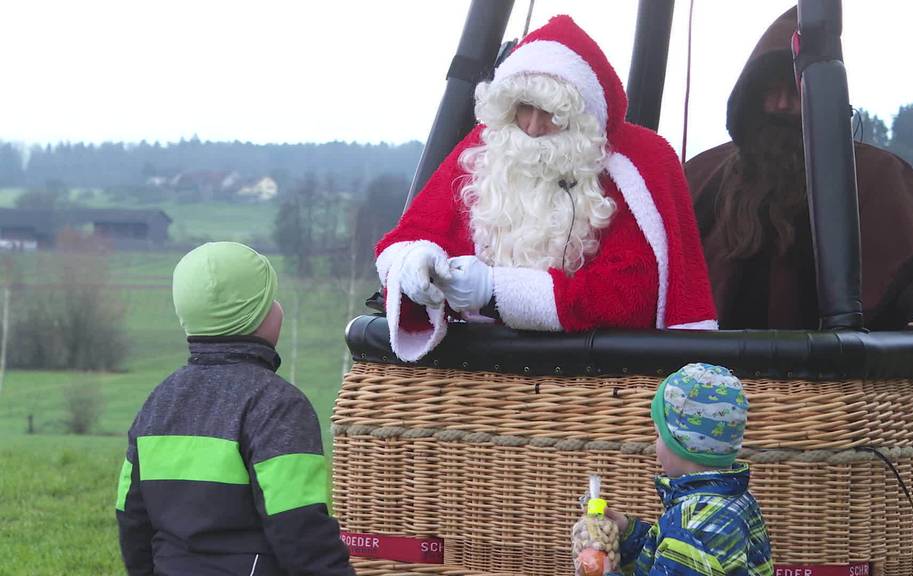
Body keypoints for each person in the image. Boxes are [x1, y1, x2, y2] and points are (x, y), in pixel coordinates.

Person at [375, 15, 717, 362]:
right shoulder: (488, 149)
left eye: (551, 112)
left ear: (580, 117)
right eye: (524, 108)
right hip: (475, 378)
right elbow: (410, 235)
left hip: (592, 378)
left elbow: (631, 294)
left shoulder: (632, 169)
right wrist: (414, 264)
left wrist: (496, 291)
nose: (534, 127)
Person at [685, 7, 913, 378]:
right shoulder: (702, 176)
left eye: (792, 90)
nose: (780, 105)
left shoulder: (876, 175)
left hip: (838, 402)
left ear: (820, 95)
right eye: (769, 91)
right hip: (705, 396)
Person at [115, 242, 355, 576]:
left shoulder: (159, 402)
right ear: (255, 315)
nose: (278, 307)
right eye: (269, 299)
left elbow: (132, 516)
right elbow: (299, 527)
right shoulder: (280, 406)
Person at [590, 363, 773, 576]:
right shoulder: (735, 500)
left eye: (659, 435)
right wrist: (632, 536)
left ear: (678, 443)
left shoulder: (693, 524)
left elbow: (685, 554)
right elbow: (675, 562)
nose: (654, 443)